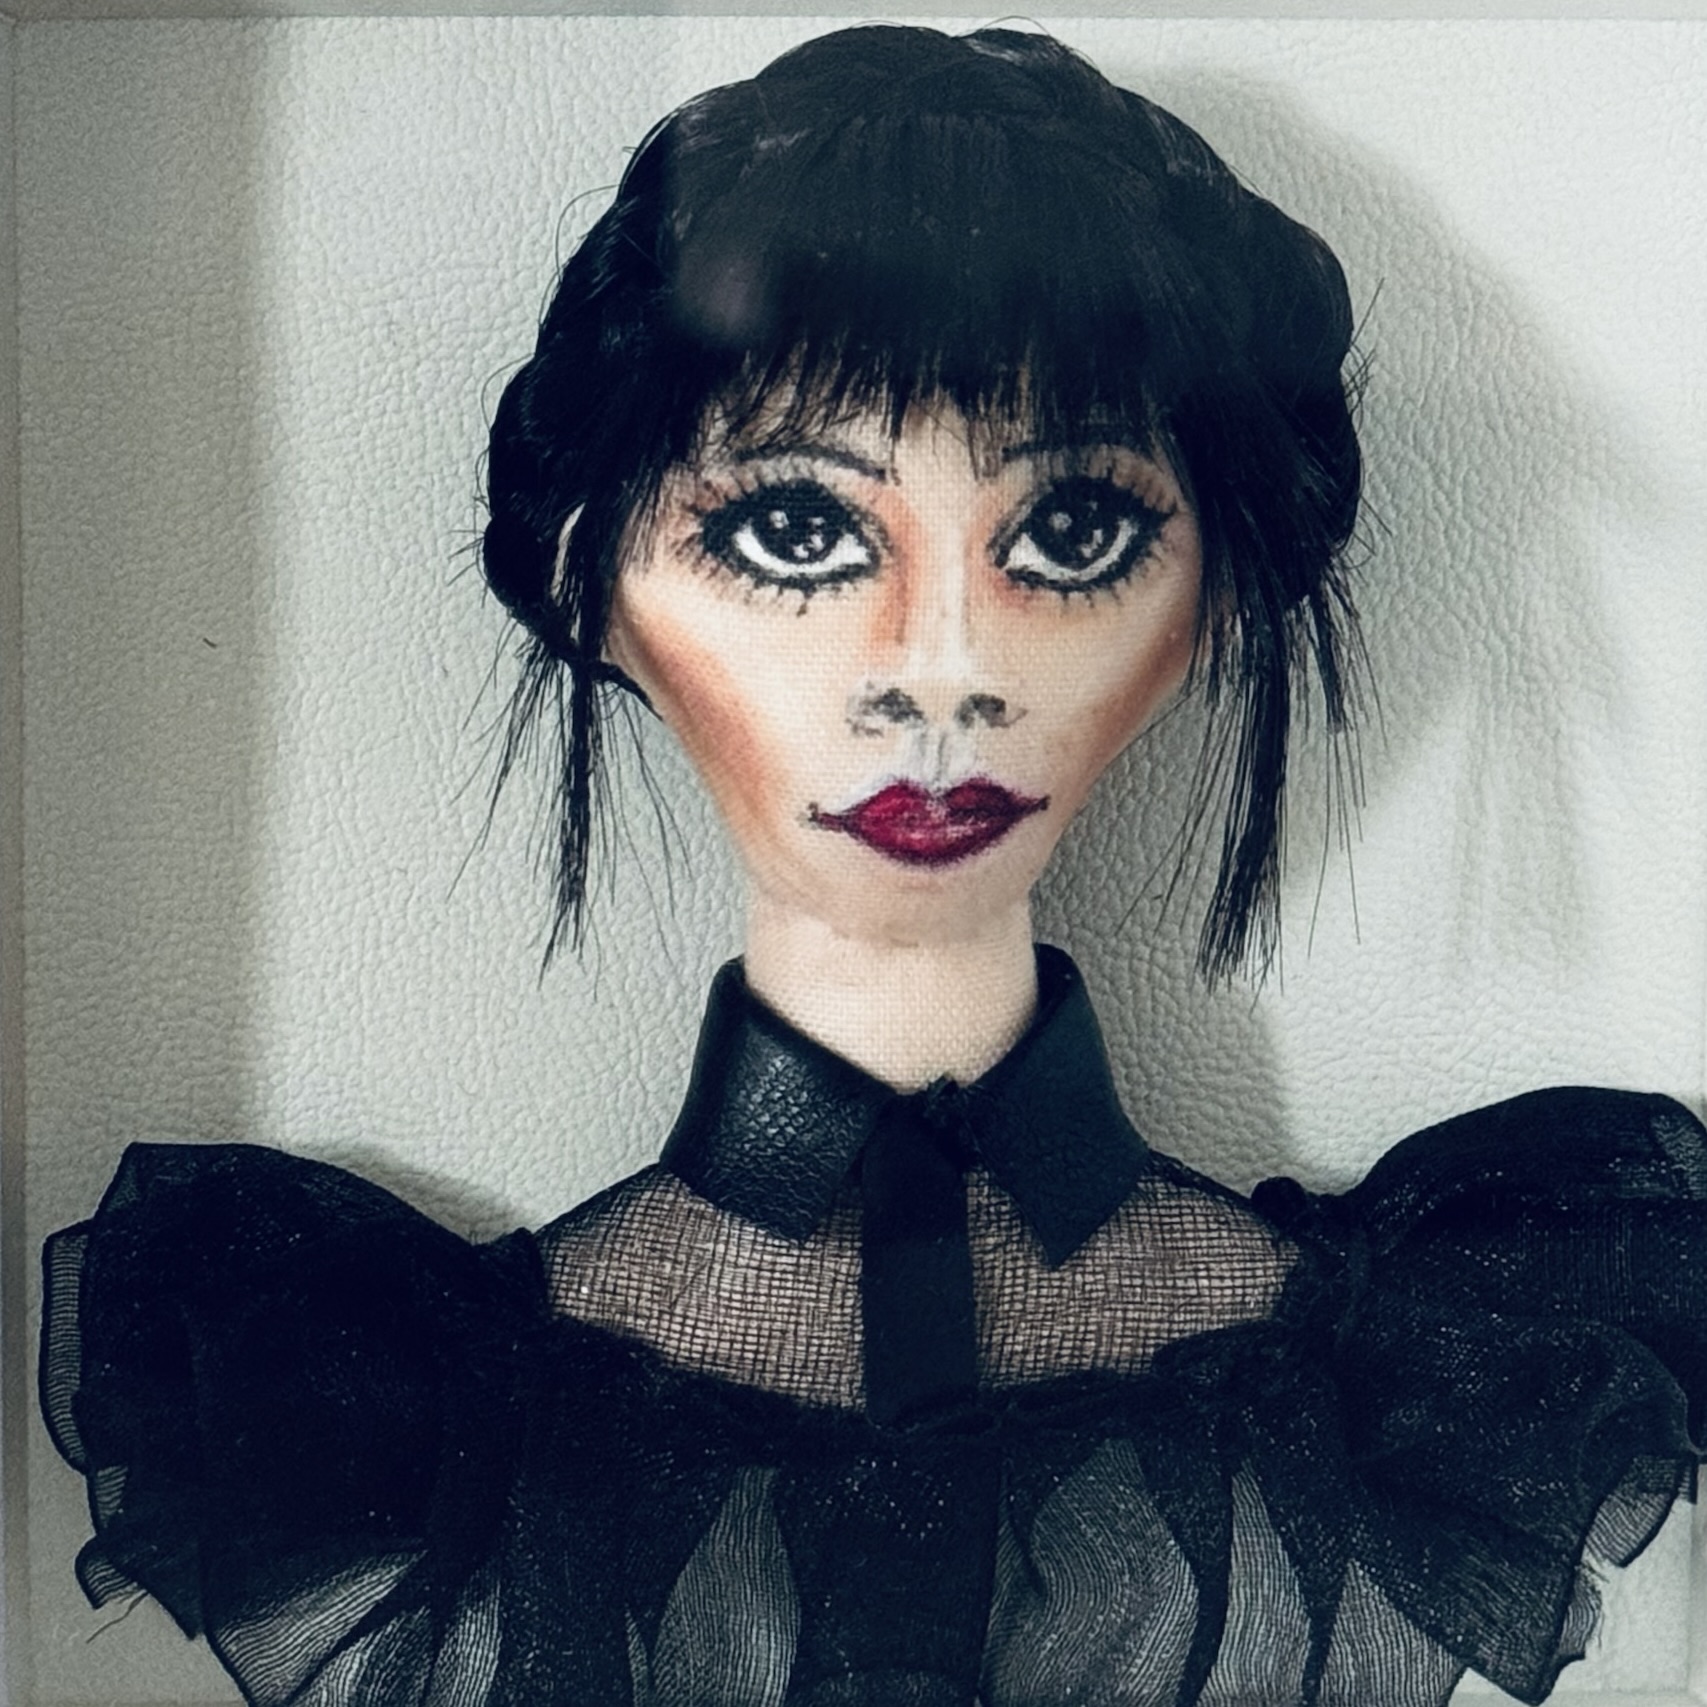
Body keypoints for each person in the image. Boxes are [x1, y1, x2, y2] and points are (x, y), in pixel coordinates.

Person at [40, 25, 1707, 1707]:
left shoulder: (1454, 1376)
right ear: (584, 581)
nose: (940, 668)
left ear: (1215, 602)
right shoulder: (366, 1419)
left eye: (1072, 533)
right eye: (795, 531)